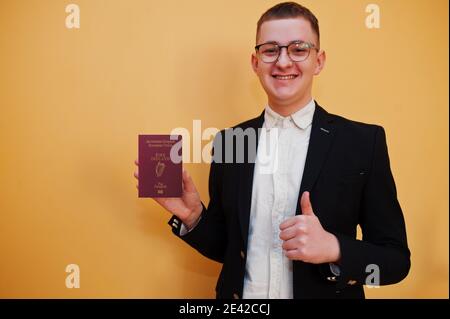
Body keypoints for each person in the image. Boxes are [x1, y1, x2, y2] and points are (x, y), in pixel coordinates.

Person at [134, 2, 410, 299]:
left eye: (298, 48)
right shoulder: (229, 141)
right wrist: (193, 216)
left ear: (319, 61)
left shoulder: (362, 142)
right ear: (255, 63)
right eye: (270, 50)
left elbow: (395, 262)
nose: (283, 61)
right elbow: (231, 251)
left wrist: (334, 247)